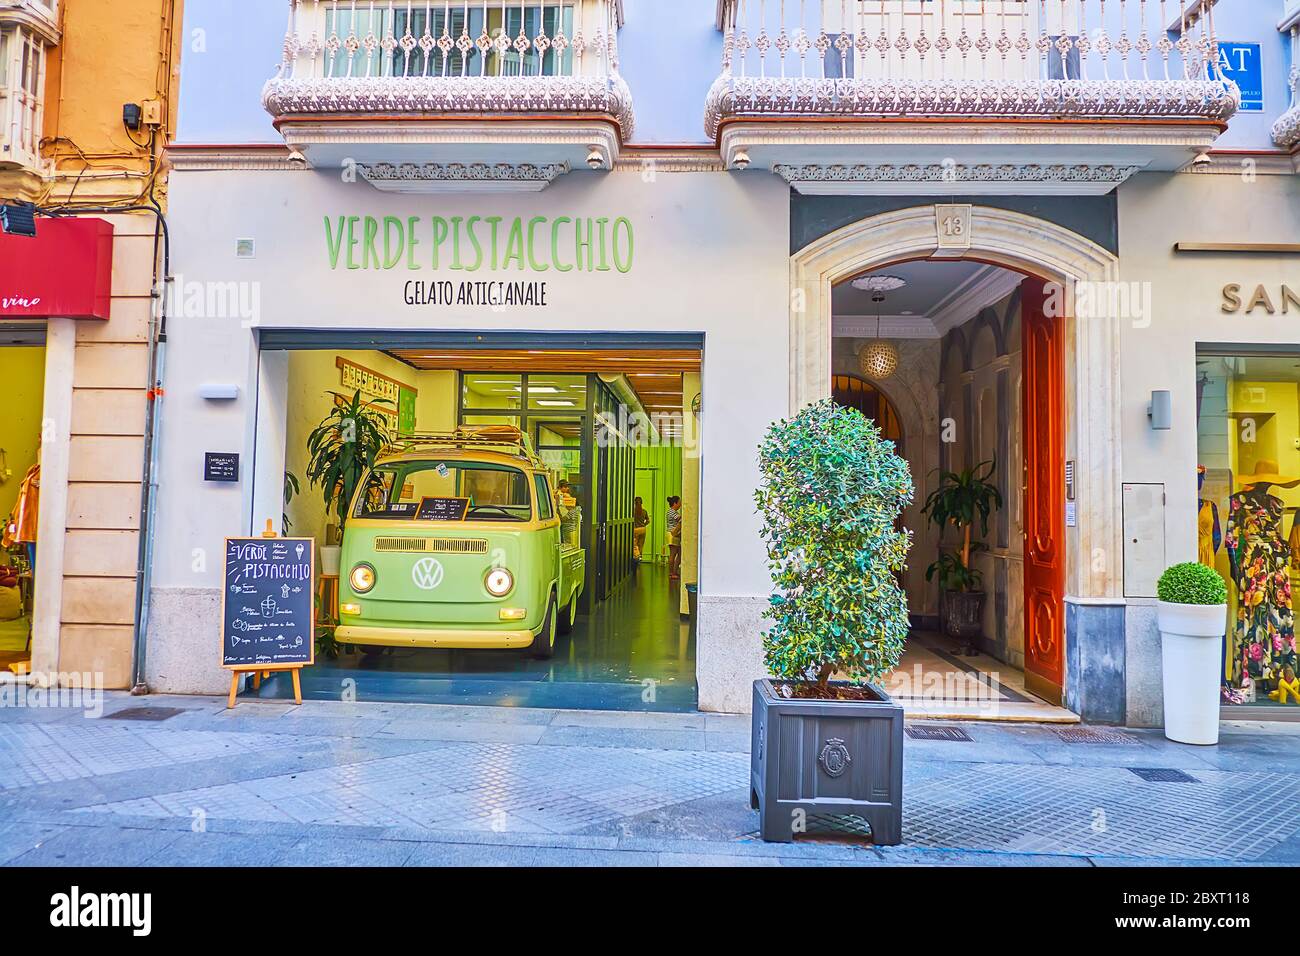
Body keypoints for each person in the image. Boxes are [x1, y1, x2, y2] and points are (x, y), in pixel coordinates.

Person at [665, 496, 682, 579]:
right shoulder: (672, 512)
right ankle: (671, 573)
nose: (680, 504)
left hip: (674, 534)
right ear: (675, 503)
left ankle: (674, 572)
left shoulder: (672, 511)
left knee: (679, 553)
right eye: (679, 502)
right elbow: (681, 519)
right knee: (673, 554)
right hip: (673, 534)